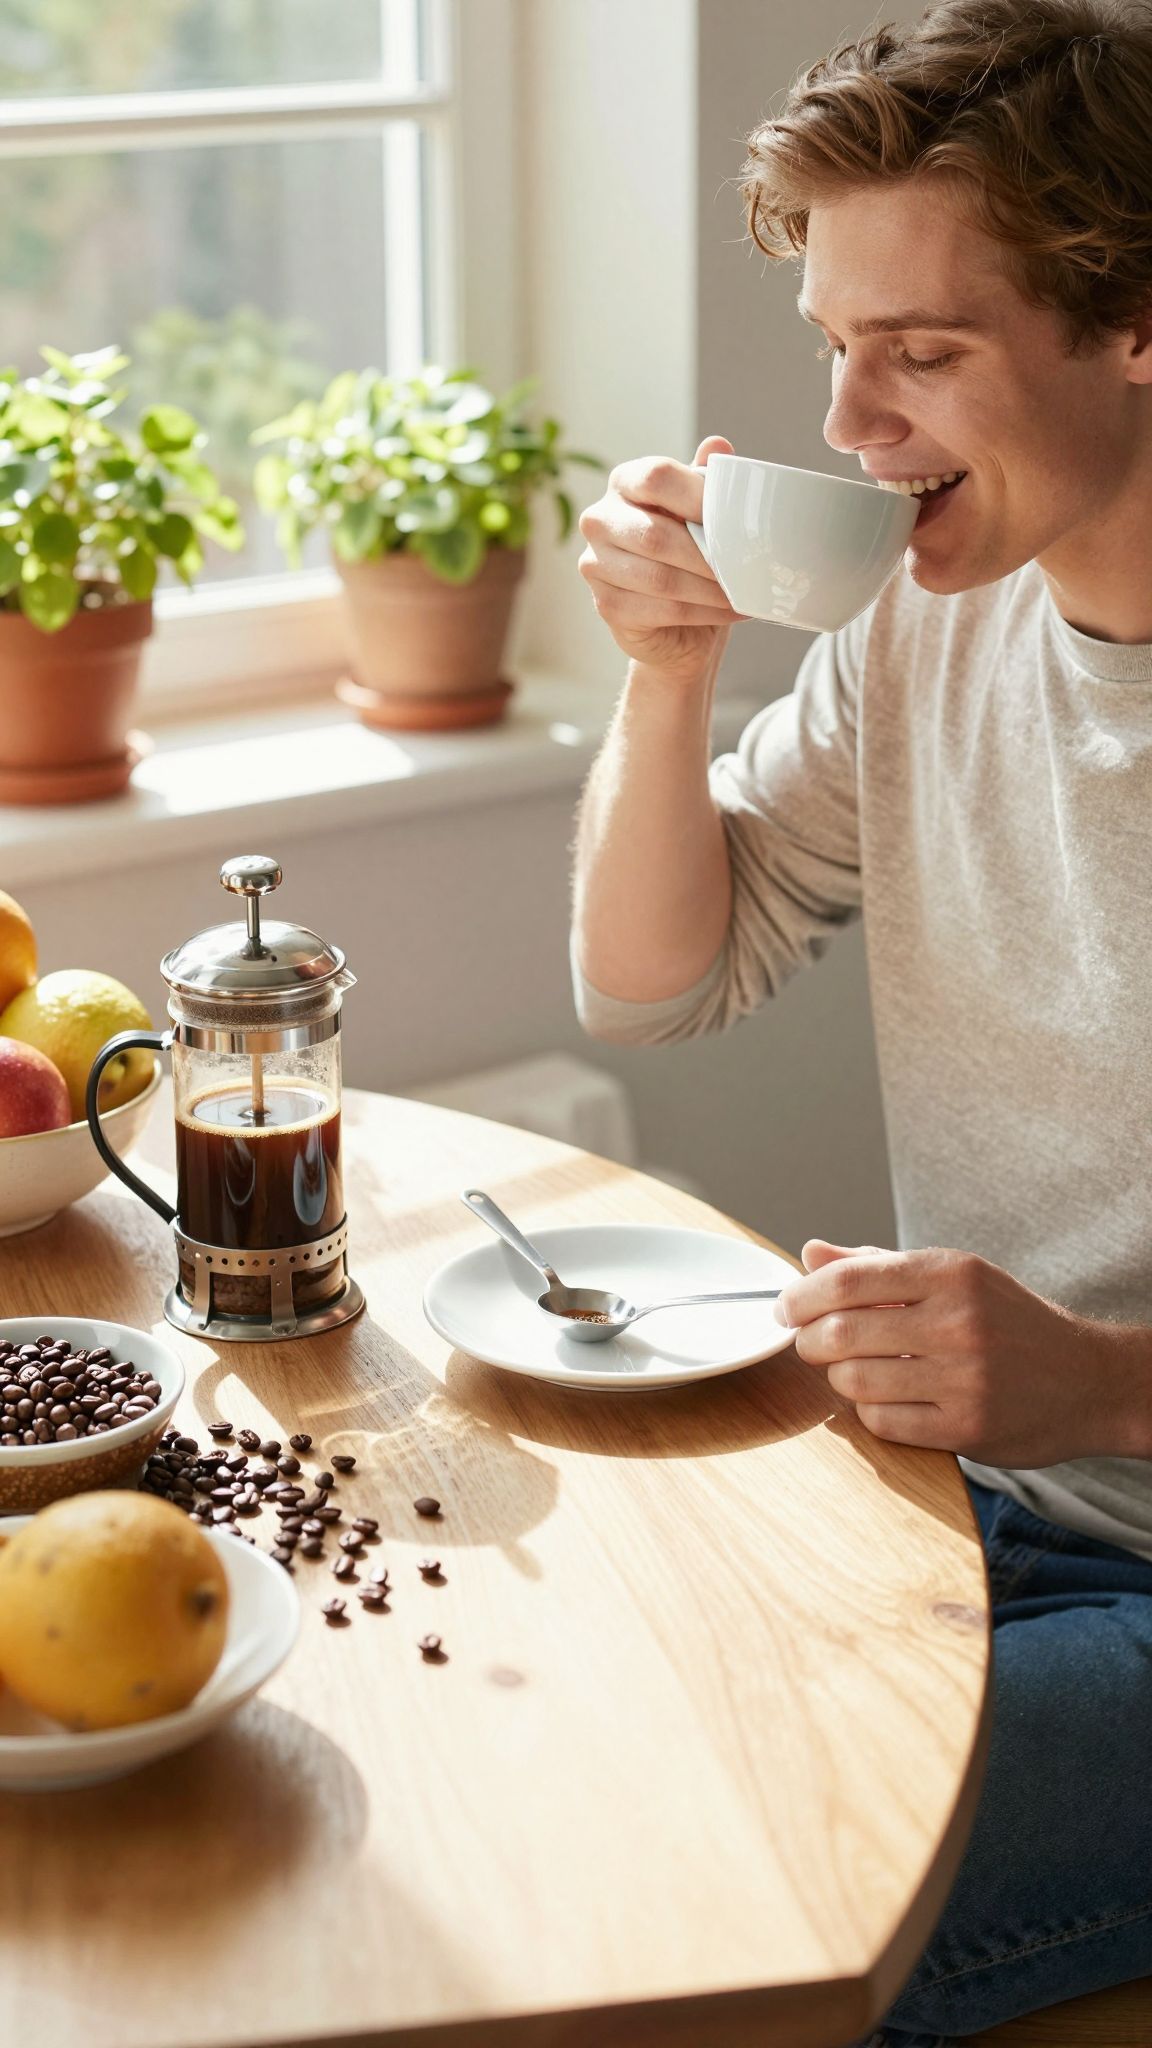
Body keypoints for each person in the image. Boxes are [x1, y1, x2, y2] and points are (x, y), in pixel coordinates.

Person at [570, 2, 1152, 2041]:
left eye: (922, 352)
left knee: (744, 1906)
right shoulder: (930, 624)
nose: (853, 422)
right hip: (963, 1503)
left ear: (1134, 322)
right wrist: (664, 674)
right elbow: (655, 982)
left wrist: (1106, 1386)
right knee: (561, 1726)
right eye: (836, 346)